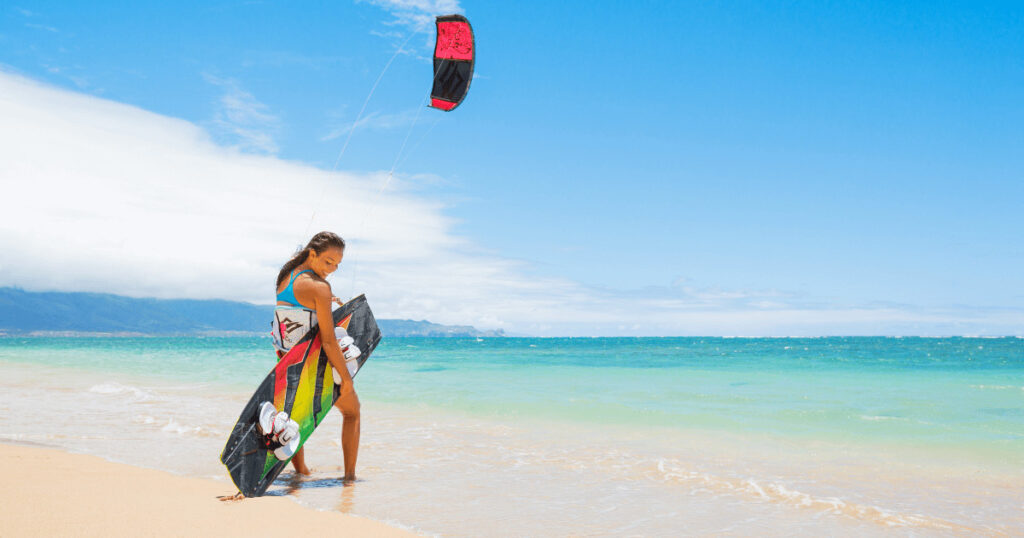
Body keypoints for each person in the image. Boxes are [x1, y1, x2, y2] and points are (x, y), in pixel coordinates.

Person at [273, 231, 361, 483]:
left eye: (337, 265)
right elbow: (329, 341)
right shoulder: (319, 287)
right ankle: (350, 478)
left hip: (287, 362)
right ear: (312, 254)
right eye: (328, 261)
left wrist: (323, 301)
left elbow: (296, 310)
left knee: (295, 419)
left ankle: (301, 472)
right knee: (352, 412)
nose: (332, 269)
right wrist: (346, 378)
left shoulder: (287, 276)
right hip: (314, 366)